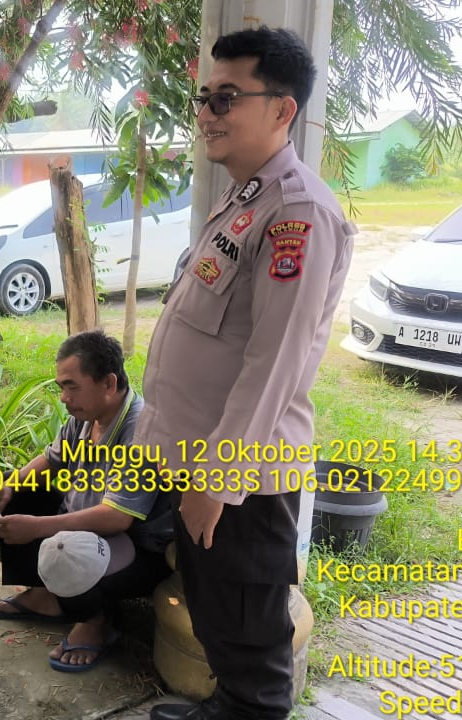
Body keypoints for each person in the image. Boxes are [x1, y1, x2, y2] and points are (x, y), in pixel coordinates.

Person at [136, 28, 356, 720]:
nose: (207, 113)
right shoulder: (244, 200)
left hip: (240, 485)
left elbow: (275, 364)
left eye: (226, 98)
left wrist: (216, 481)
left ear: (282, 109)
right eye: (204, 97)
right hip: (204, 465)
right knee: (216, 620)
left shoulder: (297, 213)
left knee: (250, 646)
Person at [0, 330, 173, 673]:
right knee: (19, 494)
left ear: (108, 383)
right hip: (90, 528)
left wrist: (38, 527)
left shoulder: (141, 432)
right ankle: (45, 595)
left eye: (72, 386)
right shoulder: (85, 418)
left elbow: (117, 518)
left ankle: (95, 622)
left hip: (136, 548)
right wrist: (6, 487)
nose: (64, 398)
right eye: (61, 387)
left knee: (67, 551)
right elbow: (52, 458)